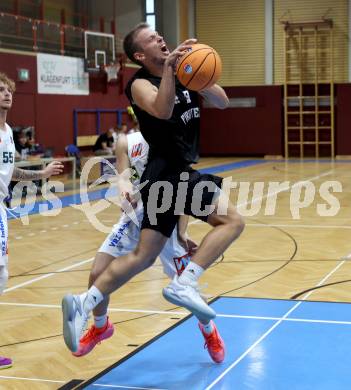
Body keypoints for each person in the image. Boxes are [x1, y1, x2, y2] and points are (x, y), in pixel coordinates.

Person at [61, 24, 244, 360]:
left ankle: (83, 303)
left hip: (169, 176)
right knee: (233, 220)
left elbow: (222, 101)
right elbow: (162, 110)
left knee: (143, 256)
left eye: (160, 35)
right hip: (169, 173)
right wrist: (174, 71)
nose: (161, 38)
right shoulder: (140, 84)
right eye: (151, 39)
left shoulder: (184, 73)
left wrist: (198, 71)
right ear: (140, 55)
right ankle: (184, 283)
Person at [72, 129, 225, 362]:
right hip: (136, 217)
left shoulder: (175, 138)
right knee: (97, 272)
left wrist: (182, 231)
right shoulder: (126, 141)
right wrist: (123, 189)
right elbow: (123, 177)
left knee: (187, 289)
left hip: (166, 220)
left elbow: (183, 188)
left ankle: (209, 331)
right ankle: (101, 326)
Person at [0, 72, 64, 369]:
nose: (6, 94)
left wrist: (40, 174)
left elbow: (10, 172)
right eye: (0, 90)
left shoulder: (8, 131)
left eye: (8, 90)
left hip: (2, 206)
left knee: (1, 276)